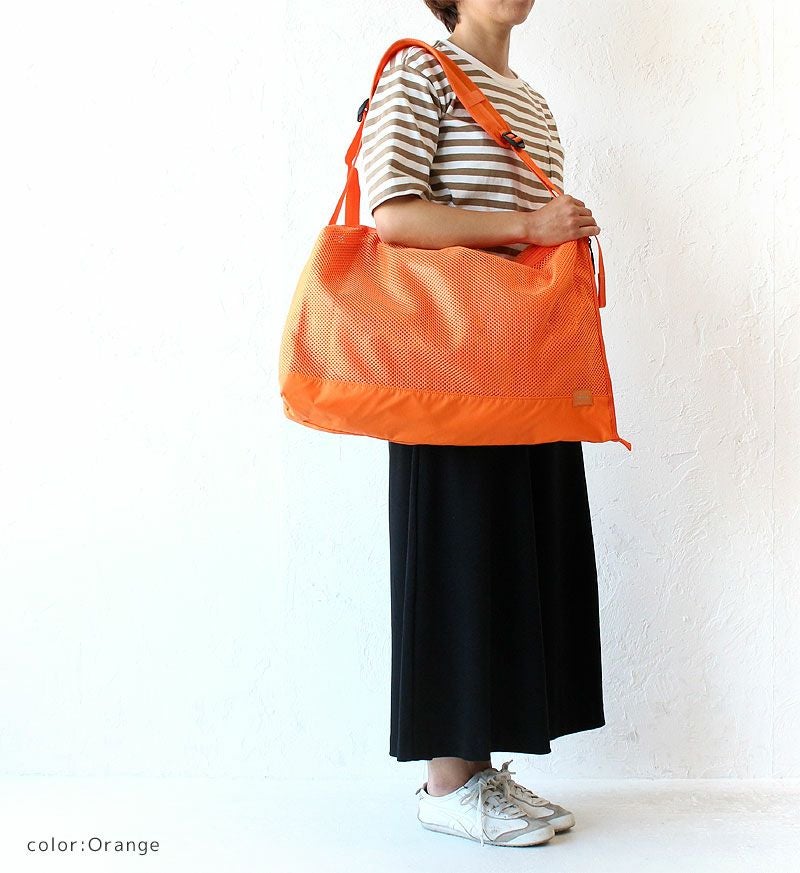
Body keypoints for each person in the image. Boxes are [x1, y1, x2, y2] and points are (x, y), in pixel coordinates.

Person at [359, 0, 606, 848]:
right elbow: (394, 214)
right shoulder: (418, 70)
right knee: (455, 546)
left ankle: (481, 770)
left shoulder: (530, 98)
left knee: (512, 551)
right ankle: (444, 784)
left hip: (522, 359)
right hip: (447, 361)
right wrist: (530, 224)